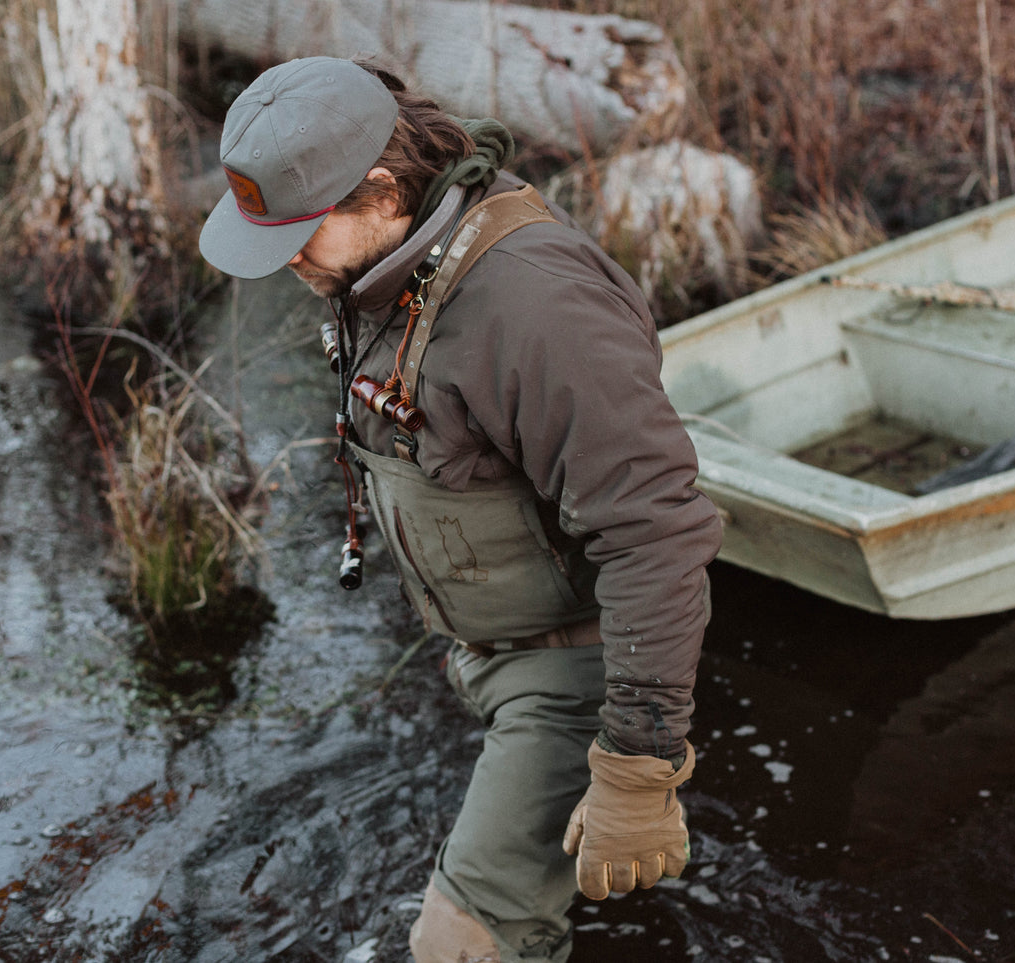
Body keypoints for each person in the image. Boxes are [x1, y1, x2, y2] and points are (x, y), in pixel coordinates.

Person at [199, 55, 723, 962]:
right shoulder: (386, 257)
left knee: (456, 947)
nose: (284, 261)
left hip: (574, 673)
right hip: (495, 646)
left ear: (382, 186)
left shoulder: (534, 304)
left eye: (298, 234)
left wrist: (637, 764)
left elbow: (655, 530)